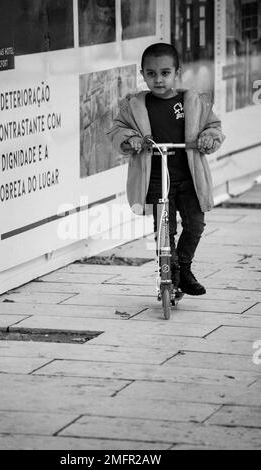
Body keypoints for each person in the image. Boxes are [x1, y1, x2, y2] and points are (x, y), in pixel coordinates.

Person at [106, 43, 225, 296]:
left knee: (195, 224)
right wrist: (131, 139)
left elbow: (213, 127)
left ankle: (183, 267)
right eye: (151, 74)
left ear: (177, 73)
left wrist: (208, 137)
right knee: (164, 229)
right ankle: (168, 275)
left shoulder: (192, 101)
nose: (158, 79)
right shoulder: (135, 105)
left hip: (189, 178)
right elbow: (116, 130)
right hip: (156, 180)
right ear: (142, 74)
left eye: (165, 73)